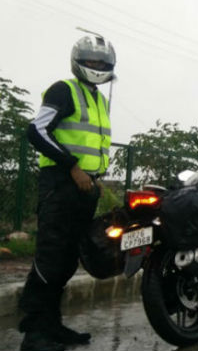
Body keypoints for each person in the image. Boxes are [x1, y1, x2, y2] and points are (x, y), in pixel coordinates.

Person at [18, 32, 116, 351]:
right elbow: (36, 131)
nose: (96, 65)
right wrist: (72, 166)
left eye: (101, 62)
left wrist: (95, 177)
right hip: (59, 184)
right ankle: (35, 333)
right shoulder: (65, 90)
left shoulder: (100, 99)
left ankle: (52, 325)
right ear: (77, 62)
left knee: (69, 259)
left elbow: (92, 144)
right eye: (90, 60)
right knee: (51, 256)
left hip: (85, 188)